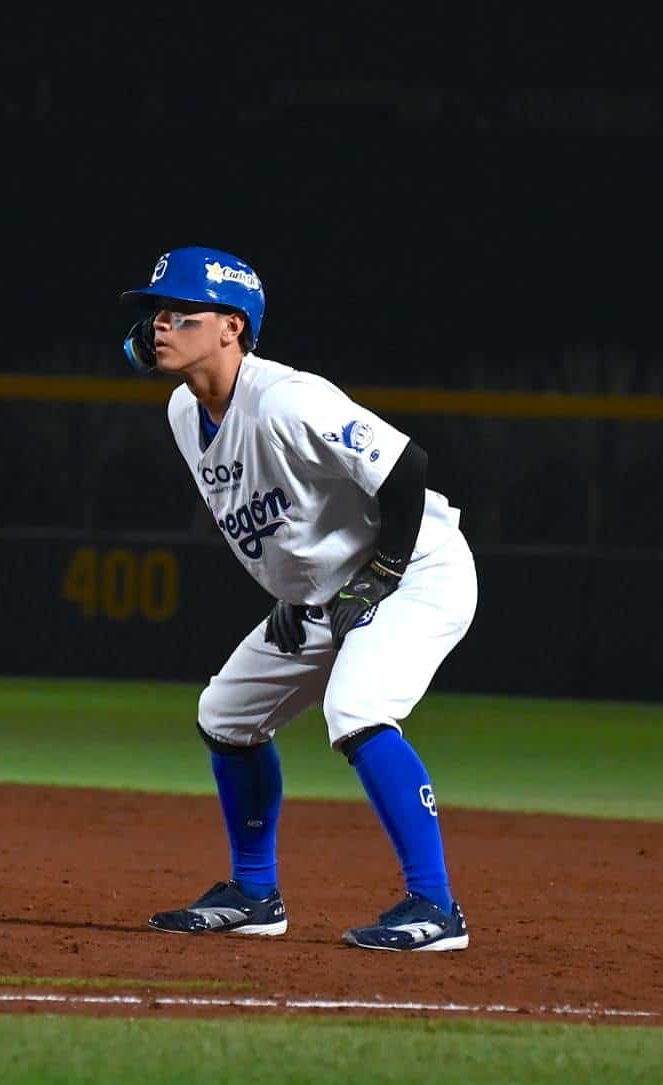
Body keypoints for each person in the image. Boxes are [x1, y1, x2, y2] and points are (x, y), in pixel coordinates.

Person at [121, 247, 477, 951]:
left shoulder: (286, 398)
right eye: (155, 313)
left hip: (417, 570)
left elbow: (406, 467)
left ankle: (436, 907)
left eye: (179, 312)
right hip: (327, 594)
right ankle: (255, 893)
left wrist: (381, 569)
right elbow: (285, 514)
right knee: (226, 714)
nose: (159, 324)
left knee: (357, 707)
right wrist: (297, 589)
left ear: (231, 326)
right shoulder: (182, 412)